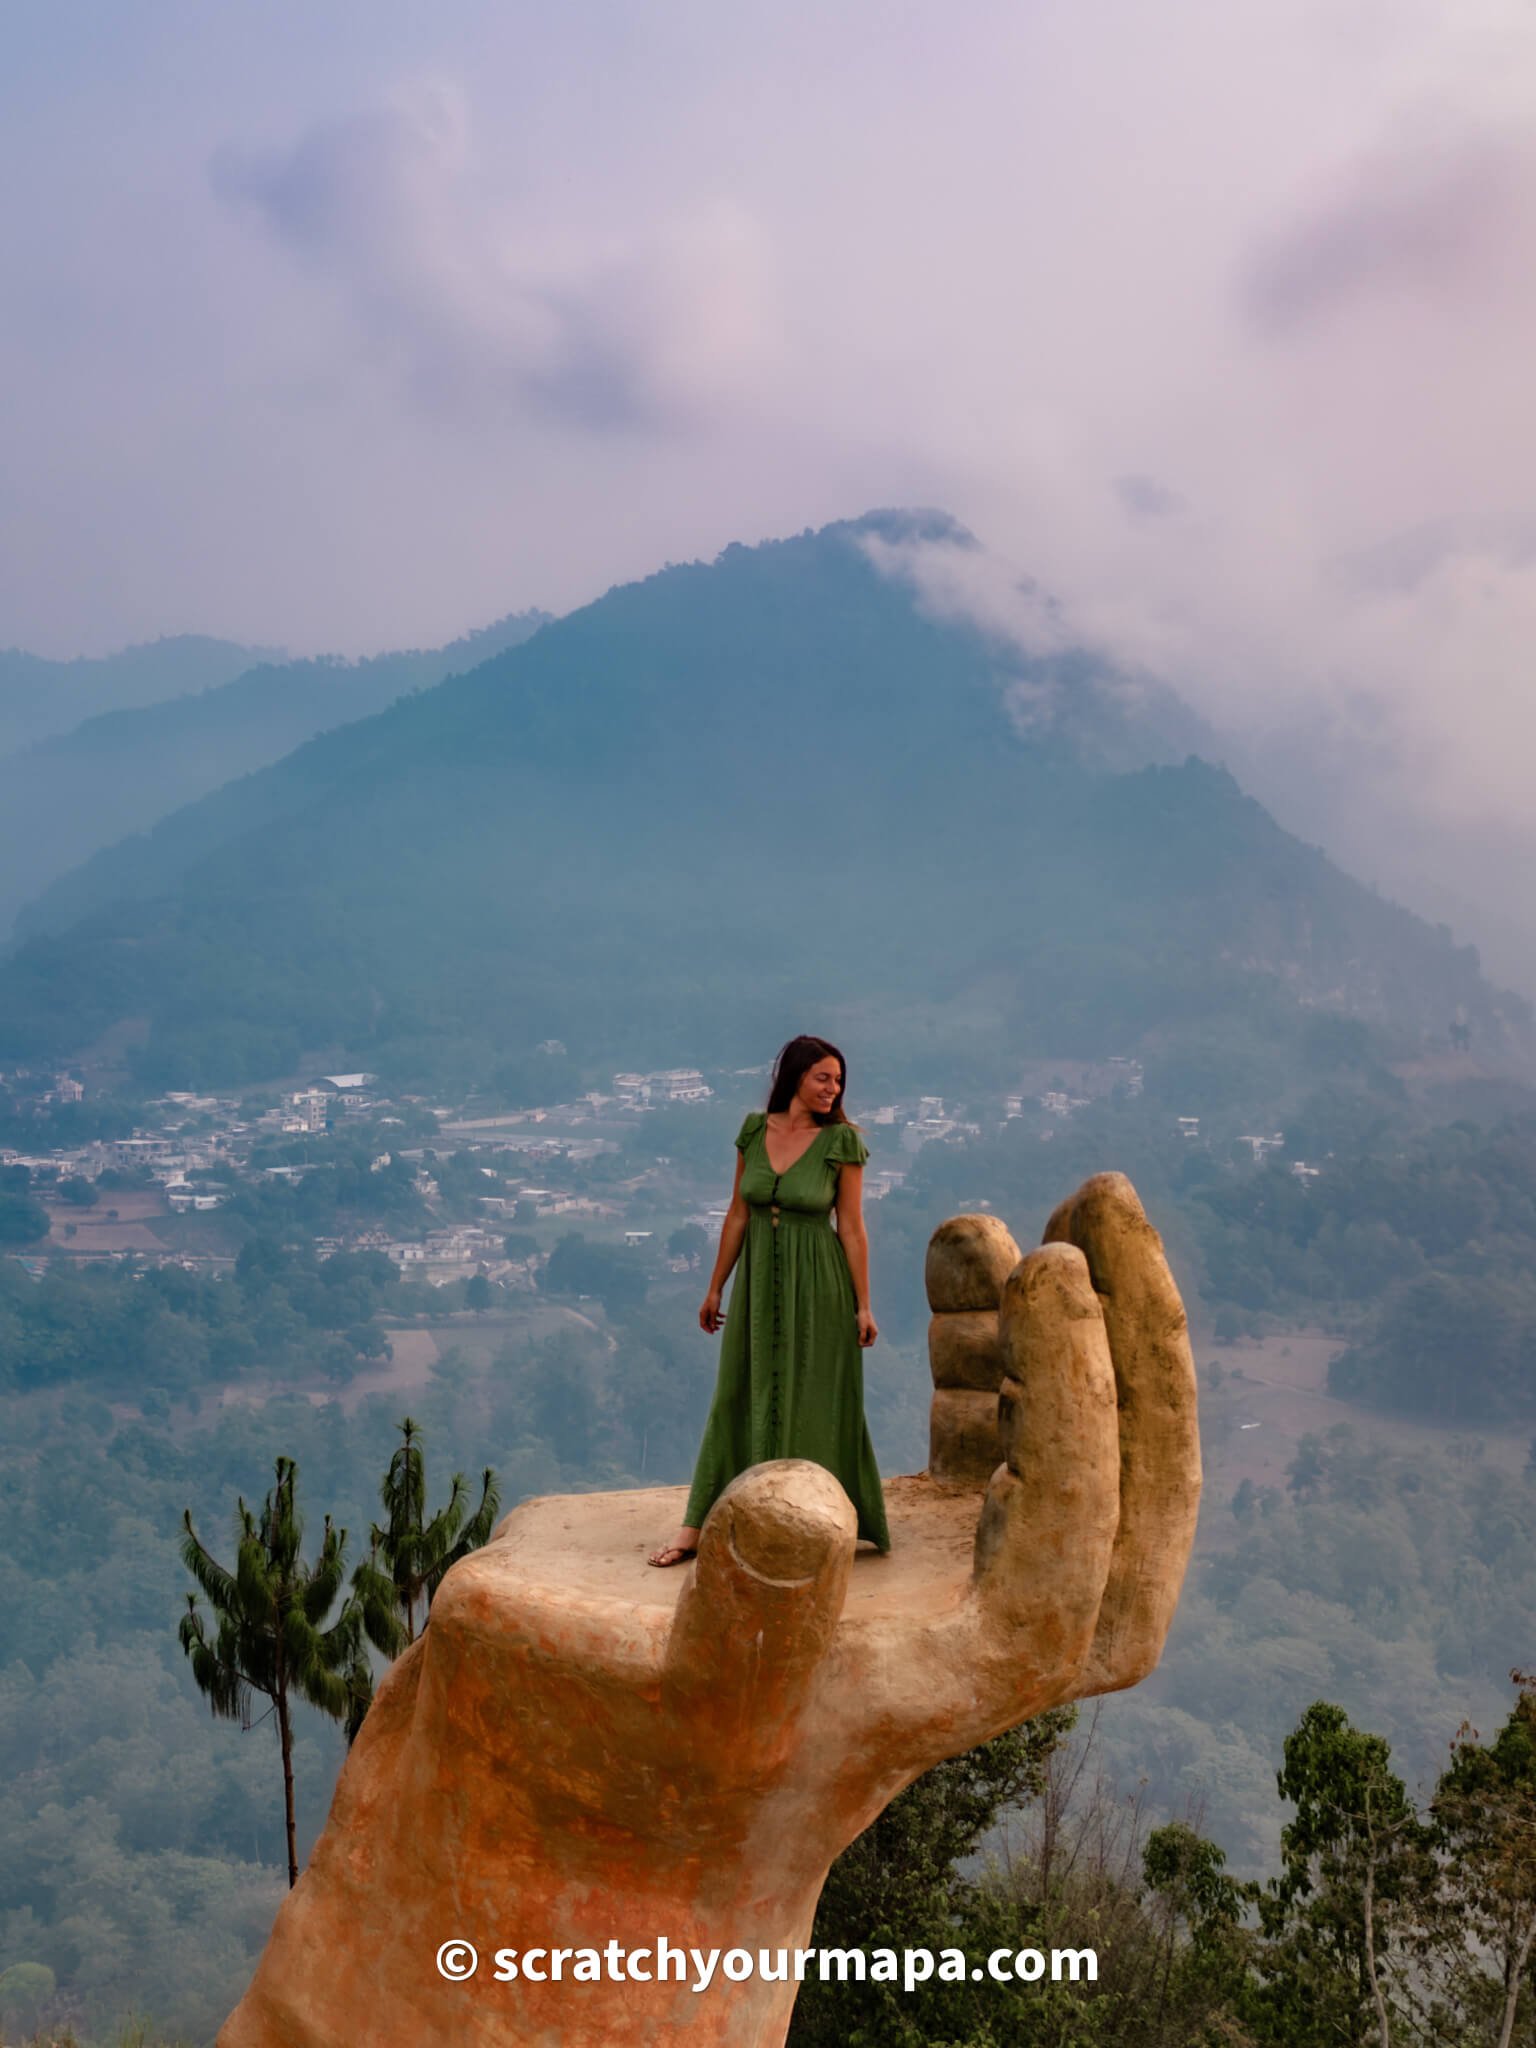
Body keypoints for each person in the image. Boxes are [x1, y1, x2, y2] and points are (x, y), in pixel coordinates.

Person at [647, 1034, 892, 1566]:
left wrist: (864, 1305)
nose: (834, 1088)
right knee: (737, 1390)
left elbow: (851, 1229)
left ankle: (816, 1522)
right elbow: (737, 1214)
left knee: (815, 1398)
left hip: (821, 1286)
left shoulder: (841, 1143)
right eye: (823, 1077)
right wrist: (715, 1286)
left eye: (839, 1080)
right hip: (756, 1283)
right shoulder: (754, 1132)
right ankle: (699, 1523)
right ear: (796, 1077)